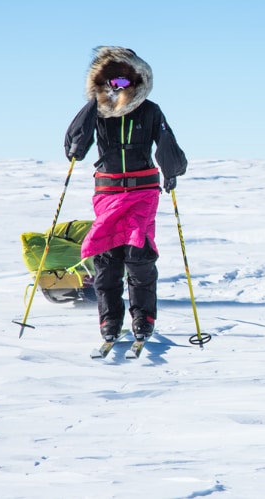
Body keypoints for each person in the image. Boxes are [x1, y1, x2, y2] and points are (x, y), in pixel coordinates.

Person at [64, 46, 187, 342]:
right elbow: (74, 147)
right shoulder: (98, 113)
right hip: (107, 193)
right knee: (107, 258)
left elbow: (167, 145)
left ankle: (143, 318)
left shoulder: (150, 110)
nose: (117, 88)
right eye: (111, 82)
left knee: (138, 256)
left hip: (142, 191)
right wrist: (93, 104)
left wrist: (171, 171)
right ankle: (109, 319)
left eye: (123, 82)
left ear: (137, 81)